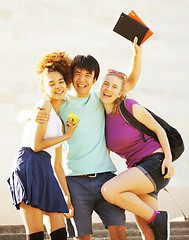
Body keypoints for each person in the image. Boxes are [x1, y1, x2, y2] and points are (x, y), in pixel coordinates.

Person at [17, 37, 141, 240]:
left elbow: (129, 82)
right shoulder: (61, 101)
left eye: (88, 75)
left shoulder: (101, 98)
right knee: (82, 236)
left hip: (105, 178)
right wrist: (29, 114)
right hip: (74, 181)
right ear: (70, 78)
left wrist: (137, 54)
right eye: (77, 74)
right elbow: (27, 113)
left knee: (119, 230)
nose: (82, 79)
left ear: (94, 80)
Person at [7, 51, 78, 240]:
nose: (58, 86)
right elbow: (37, 145)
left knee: (60, 232)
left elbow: (57, 165)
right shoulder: (44, 104)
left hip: (45, 168)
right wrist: (66, 136)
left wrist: (66, 194)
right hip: (29, 164)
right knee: (36, 235)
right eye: (51, 83)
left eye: (61, 81)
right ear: (44, 88)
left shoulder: (61, 121)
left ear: (67, 83)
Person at [99, 68, 175, 240]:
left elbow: (159, 129)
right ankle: (156, 219)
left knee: (109, 190)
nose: (108, 89)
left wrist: (169, 159)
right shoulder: (102, 117)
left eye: (114, 87)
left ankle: (158, 217)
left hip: (155, 163)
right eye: (106, 84)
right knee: (149, 233)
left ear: (120, 93)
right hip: (137, 170)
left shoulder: (129, 106)